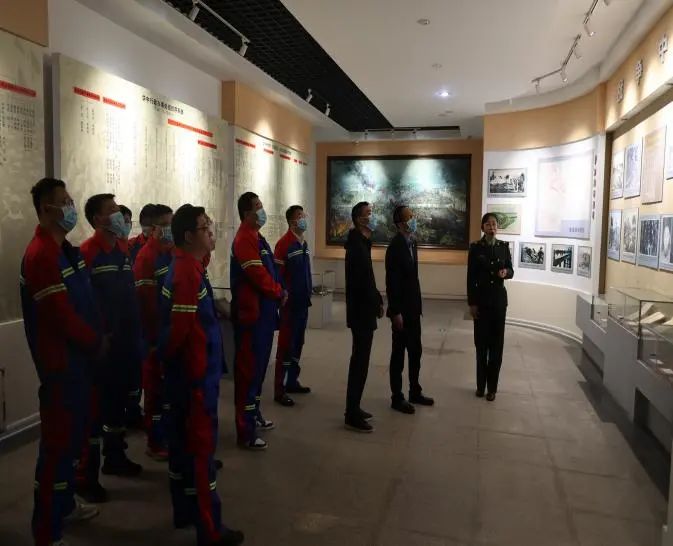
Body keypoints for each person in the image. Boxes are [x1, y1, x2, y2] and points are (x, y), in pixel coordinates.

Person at [21, 178, 105, 546]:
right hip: (61, 367)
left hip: (80, 364)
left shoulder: (66, 251)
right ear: (45, 209)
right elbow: (61, 317)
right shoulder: (41, 255)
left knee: (72, 445)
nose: (71, 206)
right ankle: (47, 531)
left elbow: (84, 301)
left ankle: (66, 505)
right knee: (57, 449)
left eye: (70, 199)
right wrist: (95, 341)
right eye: (64, 202)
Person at [157, 204, 244, 546]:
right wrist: (186, 372)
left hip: (189, 376)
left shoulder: (188, 264)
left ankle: (184, 511)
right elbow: (179, 331)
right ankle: (210, 528)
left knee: (182, 448)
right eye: (205, 227)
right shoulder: (186, 273)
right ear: (188, 236)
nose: (211, 231)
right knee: (200, 453)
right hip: (195, 379)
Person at [78, 194, 143, 499]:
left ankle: (115, 458)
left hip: (125, 344)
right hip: (101, 347)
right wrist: (97, 339)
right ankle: (86, 477)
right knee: (94, 413)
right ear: (97, 220)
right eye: (113, 211)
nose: (119, 215)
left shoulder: (122, 249)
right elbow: (83, 304)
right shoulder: (87, 253)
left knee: (118, 405)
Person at [231, 192, 286, 450]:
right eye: (257, 207)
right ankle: (245, 430)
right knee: (248, 373)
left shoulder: (257, 237)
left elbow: (269, 270)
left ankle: (254, 415)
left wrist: (278, 290)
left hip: (263, 314)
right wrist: (278, 291)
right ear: (246, 213)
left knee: (259, 369)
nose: (262, 210)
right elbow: (257, 275)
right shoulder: (244, 239)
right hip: (251, 318)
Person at [133, 204, 174, 460]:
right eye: (168, 224)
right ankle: (155, 441)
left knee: (169, 391)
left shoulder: (170, 252)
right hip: (154, 337)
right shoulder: (146, 257)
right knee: (155, 392)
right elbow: (146, 303)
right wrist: (153, 340)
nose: (172, 228)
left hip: (170, 332)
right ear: (155, 228)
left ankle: (167, 436)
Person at [385, 205, 434, 414]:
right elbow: (392, 282)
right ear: (400, 223)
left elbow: (413, 278)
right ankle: (397, 397)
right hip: (401, 311)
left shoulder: (412, 243)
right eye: (409, 217)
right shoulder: (395, 247)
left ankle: (415, 391)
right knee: (398, 355)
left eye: (413, 216)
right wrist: (395, 312)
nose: (413, 219)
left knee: (416, 352)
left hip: (414, 309)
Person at [344, 201, 383, 433]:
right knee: (359, 361)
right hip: (361, 311)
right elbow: (362, 282)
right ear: (359, 219)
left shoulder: (361, 242)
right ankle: (351, 412)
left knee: (361, 360)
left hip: (364, 309)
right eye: (369, 213)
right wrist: (375, 302)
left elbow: (368, 278)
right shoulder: (356, 245)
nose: (372, 216)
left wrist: (376, 298)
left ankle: (355, 407)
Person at [467, 212, 514, 401]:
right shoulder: (476, 248)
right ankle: (480, 386)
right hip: (482, 301)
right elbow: (470, 278)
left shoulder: (503, 247)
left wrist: (506, 273)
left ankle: (492, 388)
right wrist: (472, 303)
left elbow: (511, 270)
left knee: (496, 346)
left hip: (499, 303)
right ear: (483, 227)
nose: (492, 227)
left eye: (494, 224)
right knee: (481, 345)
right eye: (488, 224)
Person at [273, 205, 312, 407]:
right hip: (290, 305)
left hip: (303, 303)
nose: (303, 218)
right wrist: (283, 295)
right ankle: (279, 389)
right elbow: (277, 275)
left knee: (298, 343)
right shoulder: (284, 244)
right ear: (291, 221)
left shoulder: (303, 243)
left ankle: (292, 381)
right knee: (286, 346)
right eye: (299, 216)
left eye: (303, 215)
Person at [118, 204, 142, 429]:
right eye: (122, 219)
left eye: (128, 220)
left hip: (135, 319)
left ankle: (133, 412)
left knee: (136, 373)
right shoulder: (102, 253)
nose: (125, 224)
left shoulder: (132, 248)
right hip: (117, 326)